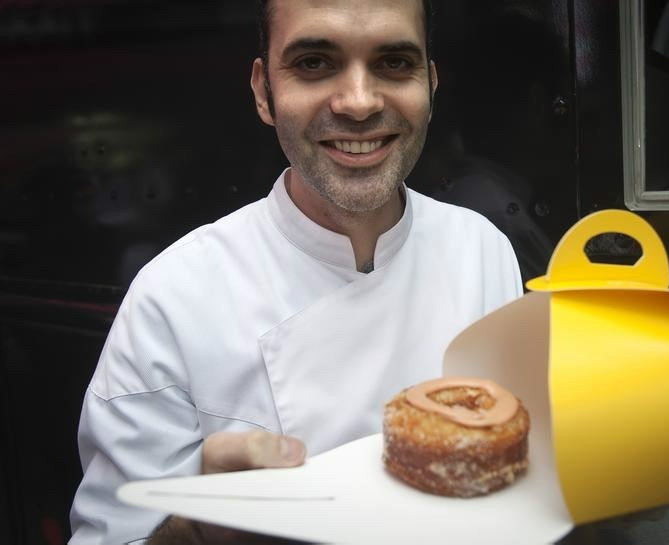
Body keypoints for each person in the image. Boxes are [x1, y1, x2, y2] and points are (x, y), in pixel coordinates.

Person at [69, 0, 522, 543]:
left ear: (431, 84)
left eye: (394, 63)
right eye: (313, 62)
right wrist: (196, 529)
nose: (358, 103)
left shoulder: (483, 250)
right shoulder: (171, 299)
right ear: (264, 92)